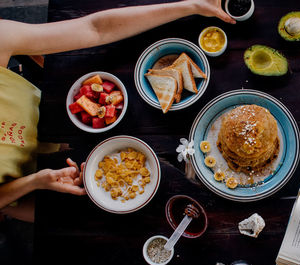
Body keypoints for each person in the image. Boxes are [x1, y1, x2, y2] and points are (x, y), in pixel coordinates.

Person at [0, 0, 235, 222]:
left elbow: (95, 29)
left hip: (55, 124)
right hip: (24, 189)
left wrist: (191, 5)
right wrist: (34, 182)